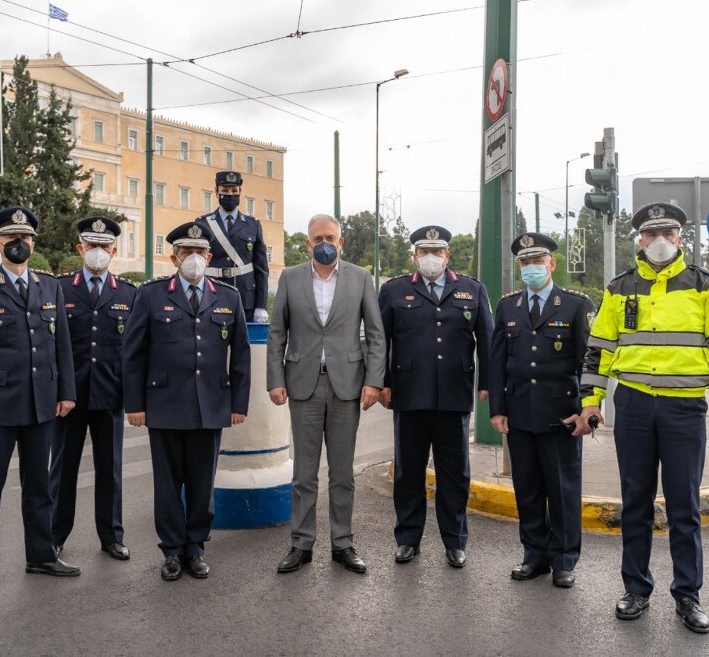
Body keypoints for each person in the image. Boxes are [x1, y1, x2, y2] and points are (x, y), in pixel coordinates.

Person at [571, 202, 709, 634]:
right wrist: (590, 401)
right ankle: (636, 589)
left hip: (684, 408)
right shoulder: (619, 287)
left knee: (684, 506)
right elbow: (599, 350)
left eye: (668, 232)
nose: (660, 241)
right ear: (640, 241)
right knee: (635, 502)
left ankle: (688, 594)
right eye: (651, 234)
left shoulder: (705, 286)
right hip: (631, 406)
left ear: (681, 238)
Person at [0, 206, 79, 596]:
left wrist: (66, 393)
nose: (20, 245)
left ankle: (41, 555)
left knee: (39, 487)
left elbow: (61, 346)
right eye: (12, 240)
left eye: (26, 239)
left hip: (41, 405)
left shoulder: (49, 287)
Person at [123, 221, 251, 581]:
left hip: (210, 405)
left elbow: (240, 355)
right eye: (186, 253)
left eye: (199, 253)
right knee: (167, 484)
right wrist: (134, 405)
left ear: (209, 257)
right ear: (174, 257)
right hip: (164, 405)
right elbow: (133, 355)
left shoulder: (228, 296)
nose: (193, 258)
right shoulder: (150, 295)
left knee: (201, 483)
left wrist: (238, 404)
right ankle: (171, 550)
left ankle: (195, 547)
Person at [267, 213, 386, 574]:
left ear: (341, 242)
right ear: (307, 243)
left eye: (330, 238)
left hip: (347, 385)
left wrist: (373, 380)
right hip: (303, 384)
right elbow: (277, 334)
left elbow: (376, 334)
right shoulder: (289, 278)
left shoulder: (360, 278)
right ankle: (301, 545)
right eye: (317, 238)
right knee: (304, 474)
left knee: (342, 473)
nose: (324, 244)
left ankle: (343, 543)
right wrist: (275, 379)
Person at [377, 225, 493, 568]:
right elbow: (380, 341)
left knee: (454, 474)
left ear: (447, 256)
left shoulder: (472, 290)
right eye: (424, 252)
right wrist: (381, 381)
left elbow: (487, 341)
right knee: (408, 473)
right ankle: (408, 539)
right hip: (409, 395)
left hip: (454, 397)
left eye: (438, 252)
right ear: (415, 256)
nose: (431, 258)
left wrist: (486, 383)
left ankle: (455, 541)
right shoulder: (394, 290)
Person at [488, 232, 594, 588]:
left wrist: (586, 410)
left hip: (561, 414)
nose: (531, 268)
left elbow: (587, 362)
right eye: (525, 262)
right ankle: (534, 555)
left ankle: (564, 559)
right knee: (528, 488)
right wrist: (498, 410)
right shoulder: (507, 306)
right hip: (519, 413)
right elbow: (497, 361)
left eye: (537, 261)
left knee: (562, 489)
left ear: (552, 264)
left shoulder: (576, 305)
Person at [50, 216, 136, 562]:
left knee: (110, 469)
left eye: (104, 247)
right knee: (62, 469)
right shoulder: (59, 288)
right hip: (69, 398)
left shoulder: (129, 293)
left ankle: (112, 536)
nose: (98, 252)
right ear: (79, 249)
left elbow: (132, 351)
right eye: (92, 246)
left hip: (110, 395)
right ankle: (54, 536)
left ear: (114, 250)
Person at [199, 170, 269, 323]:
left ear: (240, 192)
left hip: (246, 299)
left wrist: (261, 305)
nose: (230, 195)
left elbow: (261, 268)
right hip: (212, 295)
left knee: (243, 346)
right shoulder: (202, 224)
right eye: (224, 191)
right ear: (216, 193)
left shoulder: (253, 225)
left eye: (234, 191)